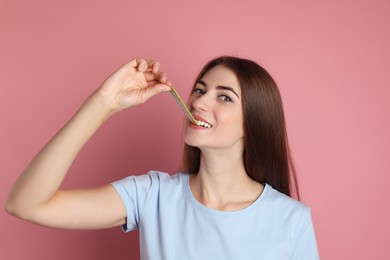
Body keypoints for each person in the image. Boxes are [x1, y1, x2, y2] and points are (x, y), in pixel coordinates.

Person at [6, 56, 319, 259]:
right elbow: (25, 204)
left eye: (224, 97)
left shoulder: (291, 220)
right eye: (200, 90)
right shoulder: (152, 195)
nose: (199, 102)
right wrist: (103, 103)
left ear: (255, 123)